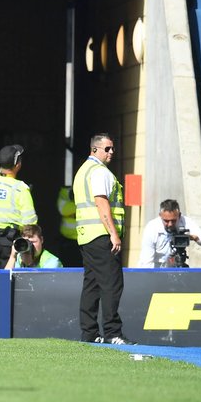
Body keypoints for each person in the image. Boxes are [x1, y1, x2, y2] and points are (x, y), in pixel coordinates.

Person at [73, 132, 130, 344]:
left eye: (112, 148)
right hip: (101, 235)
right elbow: (101, 203)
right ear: (95, 149)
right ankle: (113, 333)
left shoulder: (83, 171)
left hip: (86, 236)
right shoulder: (99, 172)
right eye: (107, 149)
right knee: (112, 284)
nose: (111, 152)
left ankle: (89, 333)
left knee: (92, 284)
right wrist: (114, 234)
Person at [0, 144, 37, 269]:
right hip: (11, 242)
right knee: (10, 283)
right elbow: (30, 222)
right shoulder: (20, 188)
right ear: (18, 165)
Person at [137, 198, 201, 268]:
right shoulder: (152, 227)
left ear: (179, 216)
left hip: (175, 266)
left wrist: (193, 237)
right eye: (166, 221)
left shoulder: (186, 221)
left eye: (173, 220)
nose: (170, 224)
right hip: (155, 267)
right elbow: (146, 262)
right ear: (160, 216)